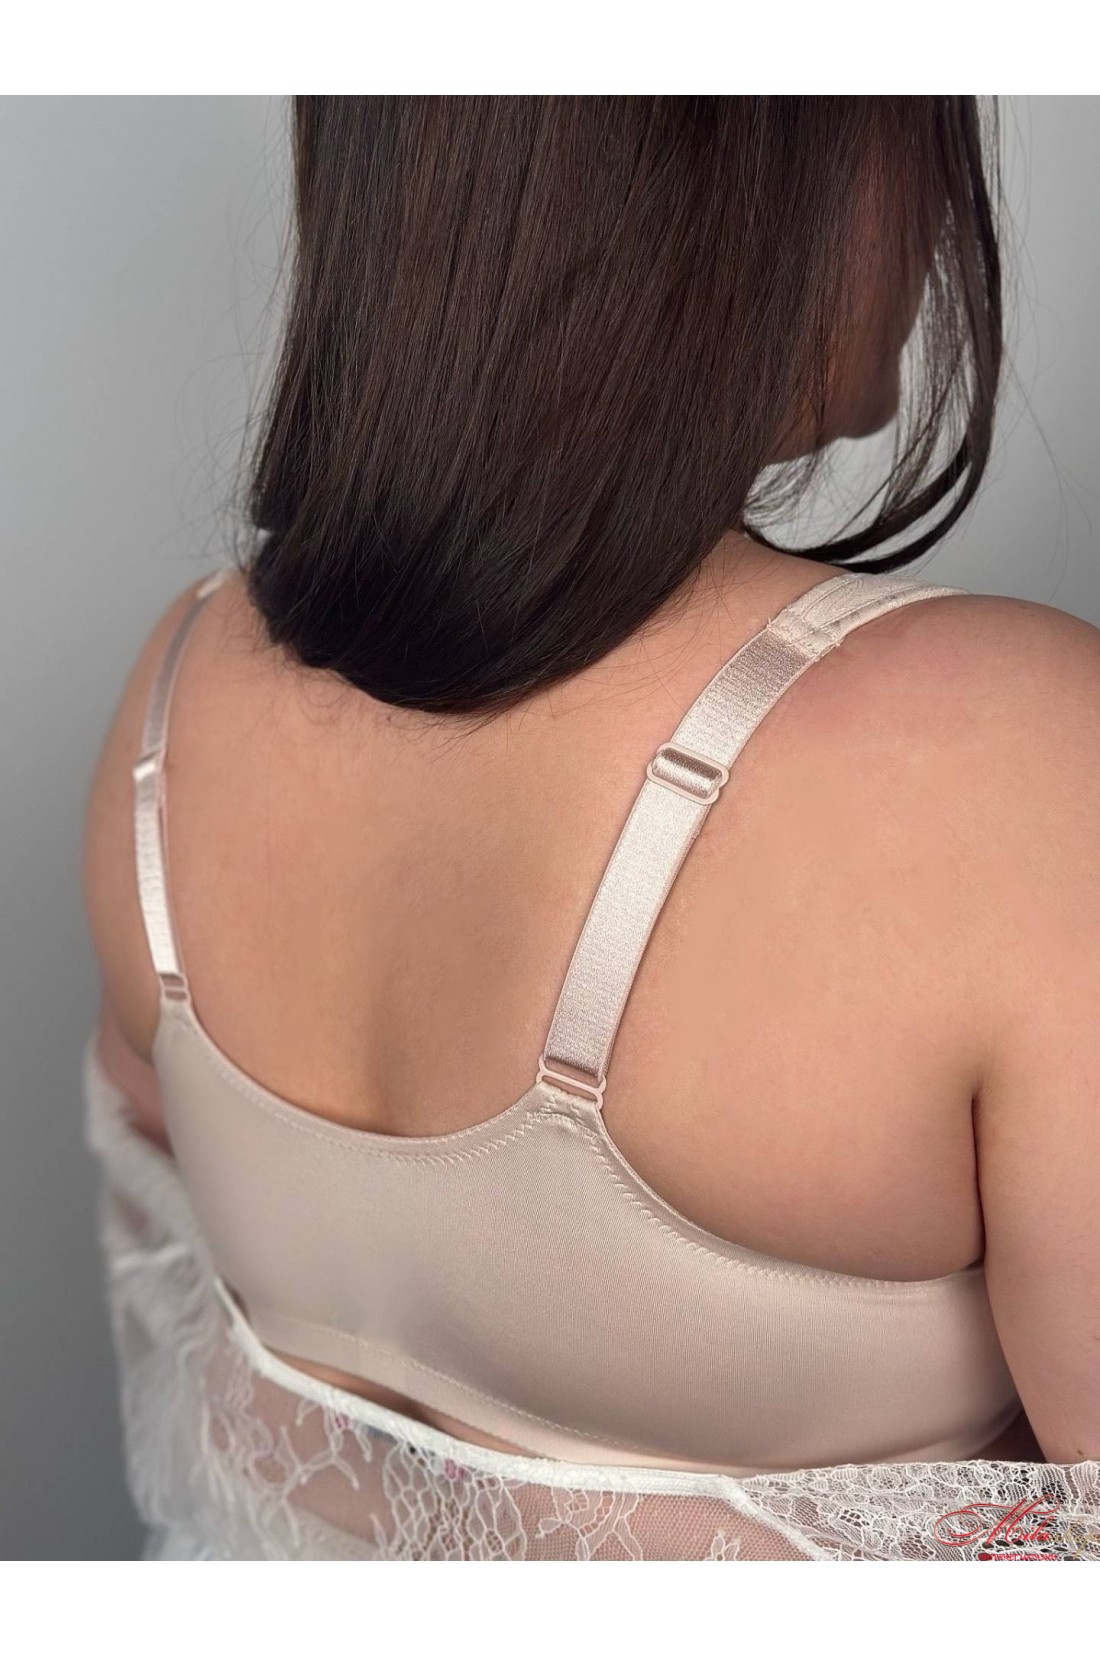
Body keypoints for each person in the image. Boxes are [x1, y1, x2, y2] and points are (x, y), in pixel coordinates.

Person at [81, 96, 1100, 1560]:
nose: (942, 216)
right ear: (744, 174)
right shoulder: (1010, 764)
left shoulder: (177, 697)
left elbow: (204, 1354)